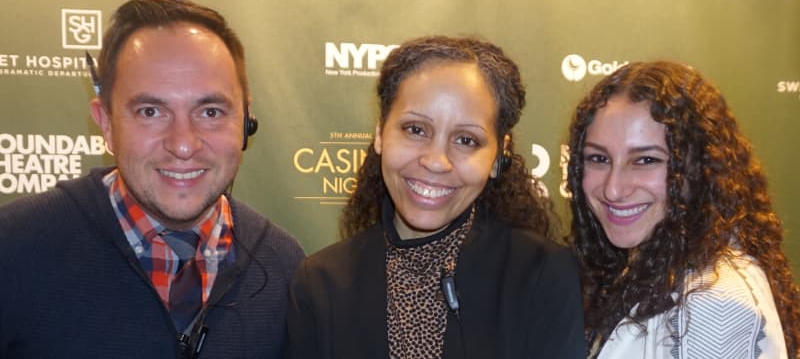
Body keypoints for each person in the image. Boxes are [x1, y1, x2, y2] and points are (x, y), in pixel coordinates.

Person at [0, 0, 305, 358]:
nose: (183, 144)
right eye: (150, 111)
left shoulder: (284, 265)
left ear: (245, 122)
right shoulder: (14, 248)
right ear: (107, 124)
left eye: (210, 111)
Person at [286, 35, 585, 358]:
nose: (435, 161)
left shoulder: (542, 275)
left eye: (466, 140)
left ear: (500, 154)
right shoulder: (320, 283)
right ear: (379, 134)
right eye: (415, 129)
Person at [567, 61, 800, 358]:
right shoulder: (655, 266)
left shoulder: (714, 303)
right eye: (599, 158)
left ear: (698, 168)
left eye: (646, 160)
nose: (613, 189)